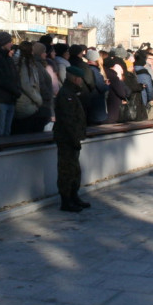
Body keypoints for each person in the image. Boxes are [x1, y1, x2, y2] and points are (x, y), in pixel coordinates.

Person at [53, 65, 89, 212]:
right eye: (80, 78)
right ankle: (66, 201)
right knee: (66, 170)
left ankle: (74, 196)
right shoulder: (66, 94)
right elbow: (68, 120)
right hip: (66, 138)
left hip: (72, 137)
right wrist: (74, 139)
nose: (81, 81)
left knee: (75, 170)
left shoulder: (71, 93)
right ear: (75, 78)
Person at [0, 32, 20, 137]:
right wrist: (15, 90)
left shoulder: (6, 57)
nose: (11, 44)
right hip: (2, 98)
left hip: (9, 98)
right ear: (3, 43)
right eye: (9, 42)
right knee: (0, 130)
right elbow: (1, 78)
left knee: (6, 130)